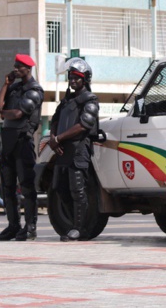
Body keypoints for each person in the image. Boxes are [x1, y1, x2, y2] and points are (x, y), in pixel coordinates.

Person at [0, 53, 43, 241]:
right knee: (7, 187)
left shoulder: (34, 90)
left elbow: (18, 113)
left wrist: (3, 113)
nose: (15, 69)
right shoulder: (13, 88)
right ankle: (13, 225)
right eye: (14, 65)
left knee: (27, 187)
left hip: (23, 142)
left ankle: (30, 228)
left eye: (18, 66)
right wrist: (5, 84)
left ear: (27, 69)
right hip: (8, 142)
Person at [48, 59, 99, 242]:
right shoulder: (66, 101)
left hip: (78, 150)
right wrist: (53, 138)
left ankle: (79, 228)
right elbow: (54, 119)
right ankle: (72, 224)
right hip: (62, 151)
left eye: (77, 77)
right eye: (71, 77)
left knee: (78, 190)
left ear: (85, 79)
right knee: (60, 189)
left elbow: (83, 125)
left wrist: (59, 138)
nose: (73, 80)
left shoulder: (91, 100)